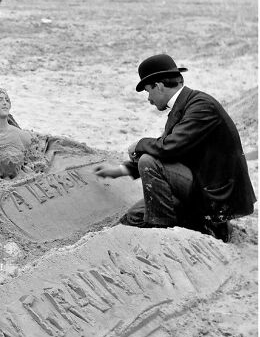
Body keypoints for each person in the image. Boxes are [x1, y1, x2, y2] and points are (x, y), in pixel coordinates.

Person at [93, 54, 256, 241]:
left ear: (159, 86)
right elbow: (168, 151)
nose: (149, 100)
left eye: (148, 92)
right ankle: (186, 223)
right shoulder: (186, 106)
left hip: (215, 199)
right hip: (199, 185)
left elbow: (167, 149)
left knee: (148, 161)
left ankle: (164, 232)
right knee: (133, 218)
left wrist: (140, 143)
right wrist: (119, 171)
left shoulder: (201, 106)